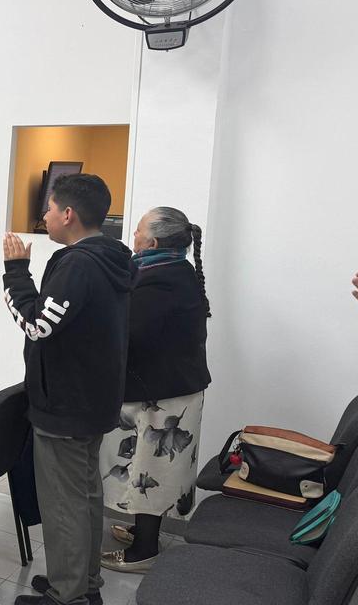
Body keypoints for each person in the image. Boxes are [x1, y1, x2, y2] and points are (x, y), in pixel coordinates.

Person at [2, 173, 132, 605]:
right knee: (86, 495)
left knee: (64, 503)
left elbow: (38, 325)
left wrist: (15, 273)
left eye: (50, 209)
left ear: (69, 214)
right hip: (93, 399)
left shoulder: (78, 264)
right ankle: (84, 582)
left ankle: (68, 593)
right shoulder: (112, 256)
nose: (45, 216)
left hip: (67, 405)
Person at [98, 207, 211, 574]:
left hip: (166, 395)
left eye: (138, 230)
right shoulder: (171, 270)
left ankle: (144, 551)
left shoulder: (161, 280)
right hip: (168, 388)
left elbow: (132, 333)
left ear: (153, 241)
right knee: (147, 467)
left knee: (153, 468)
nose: (133, 235)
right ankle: (143, 533)